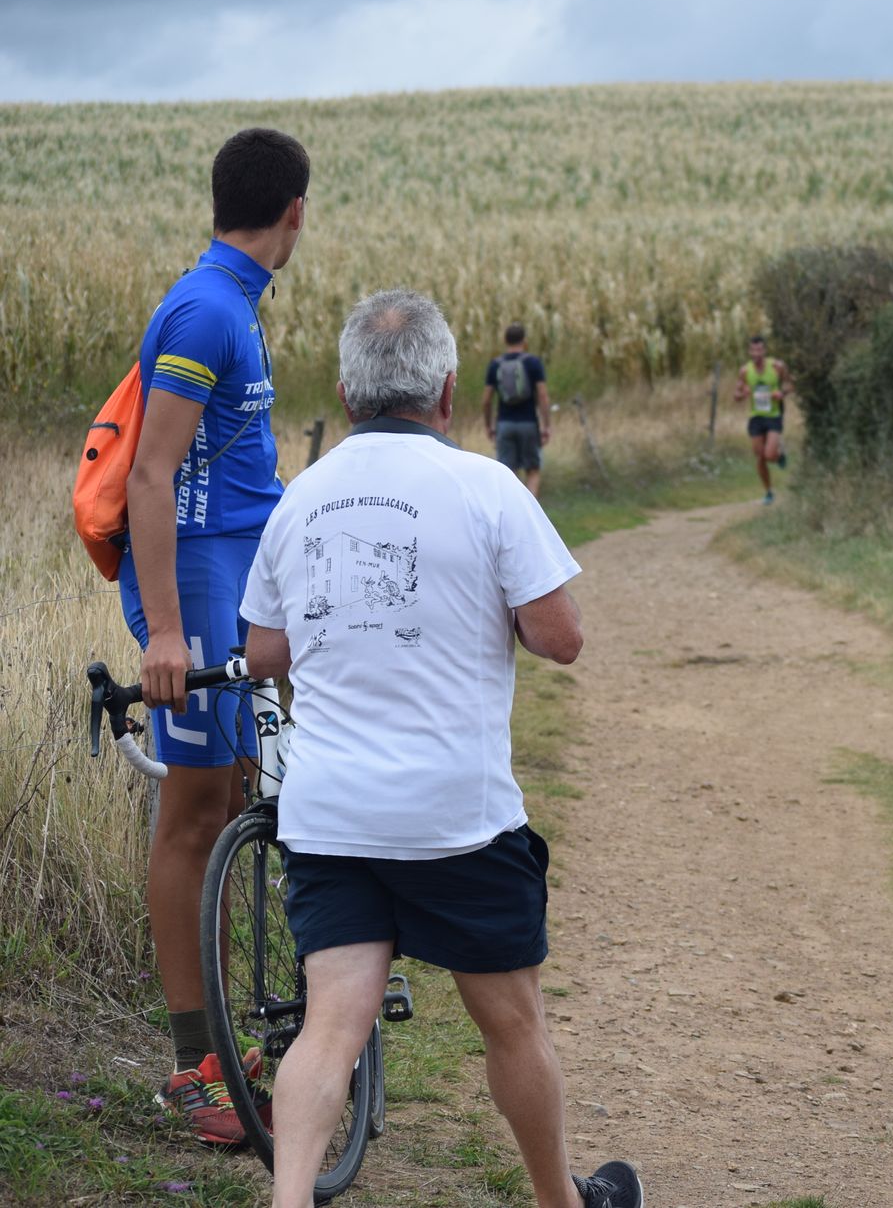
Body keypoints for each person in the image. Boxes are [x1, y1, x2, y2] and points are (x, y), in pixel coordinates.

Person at [239, 290, 641, 1208]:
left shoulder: (301, 499)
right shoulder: (489, 488)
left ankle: (289, 1201)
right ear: (450, 391)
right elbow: (562, 637)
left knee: (330, 1025)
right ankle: (558, 1201)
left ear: (346, 393)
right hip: (457, 818)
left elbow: (263, 651)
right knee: (513, 1025)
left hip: (331, 813)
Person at [123, 127, 308, 1144]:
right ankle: (193, 1067)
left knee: (229, 804)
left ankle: (223, 1044)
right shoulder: (205, 308)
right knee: (194, 816)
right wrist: (165, 631)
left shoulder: (234, 301)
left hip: (230, 579)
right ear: (295, 212)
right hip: (192, 586)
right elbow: (153, 474)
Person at [484, 323, 552, 497]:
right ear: (524, 341)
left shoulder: (495, 365)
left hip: (504, 424)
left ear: (505, 340)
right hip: (529, 423)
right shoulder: (533, 363)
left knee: (508, 474)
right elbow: (543, 396)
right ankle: (529, 511)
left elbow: (486, 400)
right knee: (533, 470)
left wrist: (489, 426)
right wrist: (546, 426)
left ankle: (510, 512)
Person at [731, 334, 794, 504]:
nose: (756, 353)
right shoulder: (745, 371)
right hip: (756, 416)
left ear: (765, 351)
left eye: (759, 350)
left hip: (773, 415)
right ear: (749, 352)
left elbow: (790, 384)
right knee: (760, 457)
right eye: (753, 350)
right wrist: (742, 394)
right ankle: (768, 492)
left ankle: (779, 454)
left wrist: (782, 393)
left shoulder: (777, 367)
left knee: (769, 455)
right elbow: (736, 395)